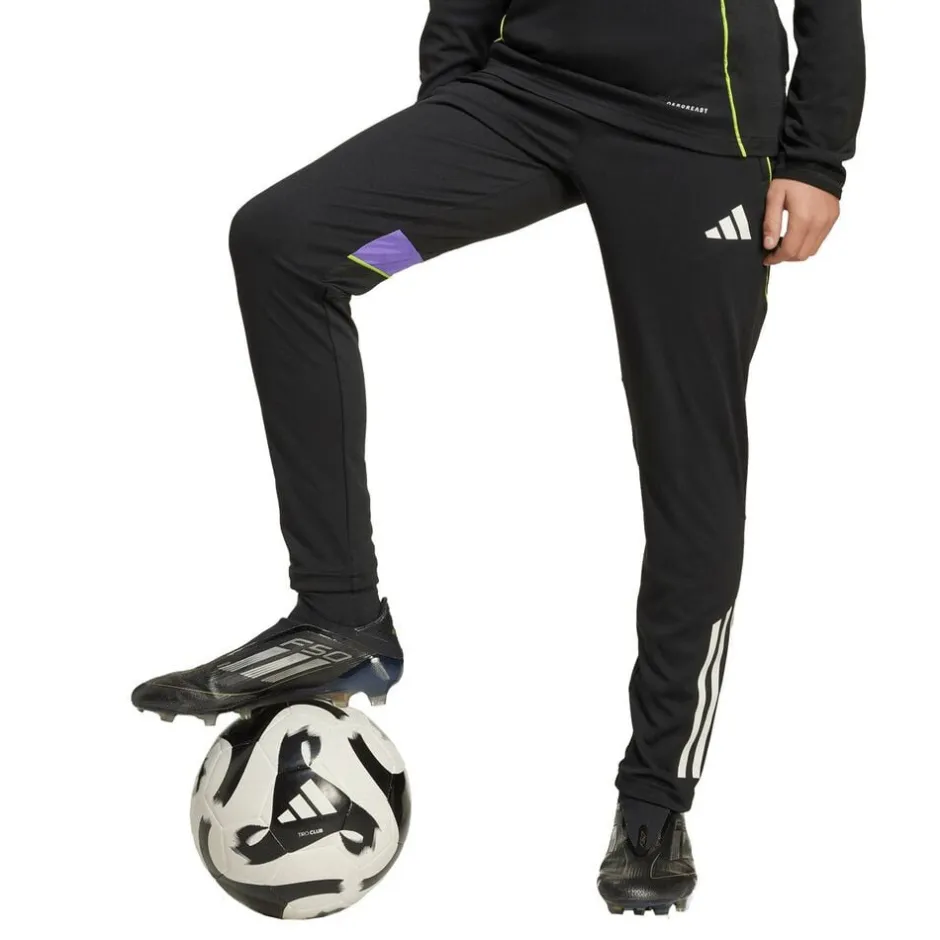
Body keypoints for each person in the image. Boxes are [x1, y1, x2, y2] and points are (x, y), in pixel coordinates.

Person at [132, 0, 865, 915]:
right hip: (521, 100)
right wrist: (452, 88)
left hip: (695, 132)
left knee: (690, 462)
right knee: (296, 250)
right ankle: (340, 616)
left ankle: (654, 801)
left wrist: (815, 156)